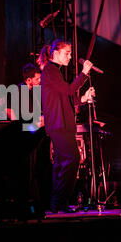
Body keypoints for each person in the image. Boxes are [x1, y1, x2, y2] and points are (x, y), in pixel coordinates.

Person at [41, 39, 95, 213]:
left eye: (70, 53)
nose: (70, 57)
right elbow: (69, 91)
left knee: (61, 163)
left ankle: (58, 203)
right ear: (55, 53)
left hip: (62, 123)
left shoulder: (54, 71)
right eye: (67, 53)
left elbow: (68, 98)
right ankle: (60, 201)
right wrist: (84, 74)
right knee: (72, 160)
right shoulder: (50, 70)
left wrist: (83, 98)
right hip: (59, 124)